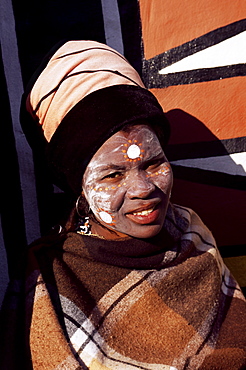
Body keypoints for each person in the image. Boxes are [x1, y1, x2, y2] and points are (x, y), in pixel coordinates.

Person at [0, 40, 245, 370]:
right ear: (80, 188)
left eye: (153, 164)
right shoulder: (49, 276)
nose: (144, 189)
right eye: (113, 175)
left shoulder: (192, 235)